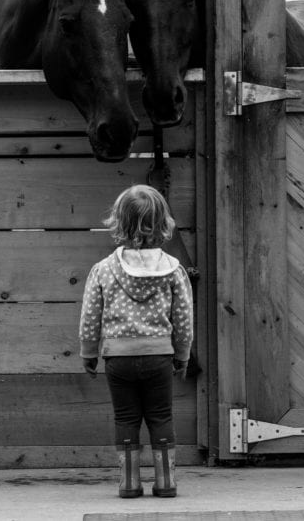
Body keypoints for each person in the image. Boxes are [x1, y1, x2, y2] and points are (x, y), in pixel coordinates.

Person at [79, 184, 194, 498]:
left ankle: (129, 483)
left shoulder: (102, 270)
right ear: (162, 223)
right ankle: (165, 481)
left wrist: (89, 352)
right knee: (161, 416)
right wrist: (182, 355)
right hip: (159, 357)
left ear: (119, 222)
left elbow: (90, 315)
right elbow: (184, 318)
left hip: (118, 358)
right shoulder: (173, 271)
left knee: (127, 417)